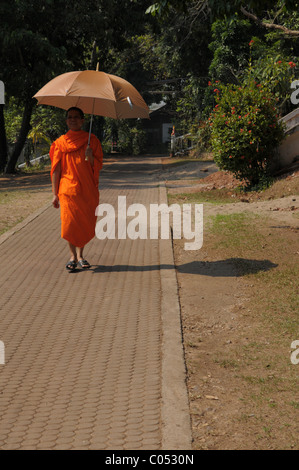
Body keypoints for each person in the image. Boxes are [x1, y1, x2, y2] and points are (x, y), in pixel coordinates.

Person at [50, 107, 103, 271]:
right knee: (69, 224)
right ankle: (72, 256)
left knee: (84, 222)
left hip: (86, 190)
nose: (72, 119)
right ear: (66, 121)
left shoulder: (91, 141)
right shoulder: (60, 143)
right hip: (67, 190)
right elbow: (56, 170)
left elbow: (98, 165)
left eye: (76, 117)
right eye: (69, 117)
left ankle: (81, 255)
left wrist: (91, 156)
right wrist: (55, 193)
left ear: (82, 120)